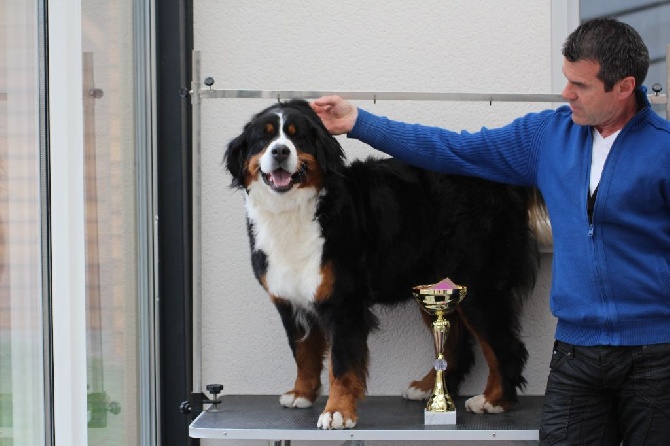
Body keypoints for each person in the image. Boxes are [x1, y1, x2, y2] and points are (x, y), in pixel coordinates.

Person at [311, 17, 670, 446]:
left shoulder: (663, 149)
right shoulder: (548, 135)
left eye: (581, 85)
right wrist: (359, 121)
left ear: (625, 88)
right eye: (566, 79)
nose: (566, 93)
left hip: (657, 358)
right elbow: (453, 149)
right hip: (577, 356)